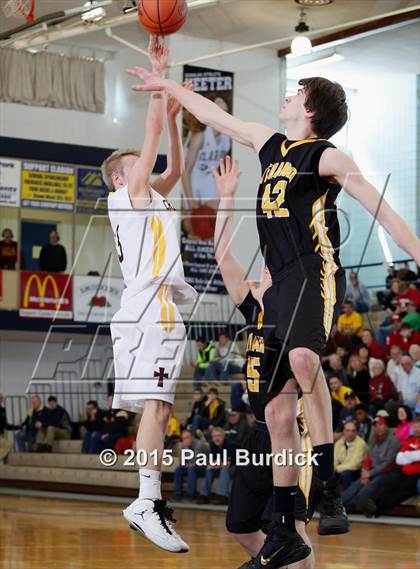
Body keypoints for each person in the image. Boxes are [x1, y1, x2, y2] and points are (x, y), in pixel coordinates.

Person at [127, 69, 419, 554]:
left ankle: (326, 483)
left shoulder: (325, 155)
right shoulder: (270, 144)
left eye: (296, 92)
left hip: (314, 270)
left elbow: (381, 208)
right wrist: (168, 84)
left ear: (310, 110)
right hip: (280, 279)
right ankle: (284, 527)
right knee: (279, 410)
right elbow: (214, 115)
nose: (286, 95)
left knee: (306, 361)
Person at [103, 37, 197, 553]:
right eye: (139, 162)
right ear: (122, 174)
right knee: (156, 407)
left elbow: (176, 170)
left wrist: (179, 121)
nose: (149, 167)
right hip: (148, 308)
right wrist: (160, 81)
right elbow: (152, 131)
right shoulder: (126, 195)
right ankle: (145, 499)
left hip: (155, 308)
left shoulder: (149, 200)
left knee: (158, 410)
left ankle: (146, 498)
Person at [213, 157, 316, 568]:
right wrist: (226, 197)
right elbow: (222, 254)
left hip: (289, 435)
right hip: (254, 436)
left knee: (294, 529)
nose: (264, 270)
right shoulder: (252, 307)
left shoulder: (300, 314)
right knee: (239, 524)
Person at [356, 415, 420, 517]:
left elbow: (408, 459)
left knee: (401, 490)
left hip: (415, 474)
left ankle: (377, 510)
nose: (416, 429)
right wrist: (414, 457)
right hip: (403, 470)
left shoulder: (399, 440)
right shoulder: (411, 440)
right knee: (388, 482)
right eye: (415, 427)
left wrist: (408, 457)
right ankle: (370, 504)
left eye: (419, 427)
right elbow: (399, 458)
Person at [182, 97, 231, 212]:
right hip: (191, 179)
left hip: (209, 178)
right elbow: (185, 170)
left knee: (214, 217)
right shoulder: (200, 136)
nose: (221, 102)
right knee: (194, 222)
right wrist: (190, 199)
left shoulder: (227, 137)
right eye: (217, 102)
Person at [342, 416, 400, 513]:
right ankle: (336, 505)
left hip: (387, 473)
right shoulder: (373, 440)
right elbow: (368, 458)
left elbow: (388, 463)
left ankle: (345, 507)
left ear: (386, 426)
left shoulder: (393, 441)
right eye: (375, 425)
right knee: (355, 486)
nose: (378, 427)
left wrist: (370, 474)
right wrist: (365, 471)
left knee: (366, 490)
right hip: (372, 471)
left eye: (381, 424)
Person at [197, 427, 235, 506]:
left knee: (224, 469)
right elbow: (213, 461)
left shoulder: (230, 444)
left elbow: (227, 463)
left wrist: (216, 464)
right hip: (221, 467)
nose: (216, 438)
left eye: (219, 436)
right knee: (209, 470)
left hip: (235, 468)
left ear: (223, 436)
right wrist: (212, 465)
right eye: (214, 436)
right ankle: (204, 495)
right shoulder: (213, 445)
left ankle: (222, 496)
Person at [173, 430, 208, 501]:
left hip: (202, 467)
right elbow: (182, 462)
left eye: (187, 438)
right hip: (190, 466)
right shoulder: (183, 446)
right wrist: (185, 449)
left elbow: (195, 460)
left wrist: (186, 449)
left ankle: (191, 494)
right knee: (178, 469)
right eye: (183, 439)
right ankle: (177, 494)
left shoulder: (200, 444)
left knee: (190, 468)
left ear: (192, 437)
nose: (185, 440)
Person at [334, 420, 368, 489]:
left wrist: (336, 468)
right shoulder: (340, 442)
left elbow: (354, 465)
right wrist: (333, 467)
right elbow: (334, 459)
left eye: (353, 431)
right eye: (348, 430)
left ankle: (347, 496)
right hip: (341, 468)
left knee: (345, 474)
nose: (350, 433)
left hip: (355, 471)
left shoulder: (361, 444)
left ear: (356, 432)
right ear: (343, 431)